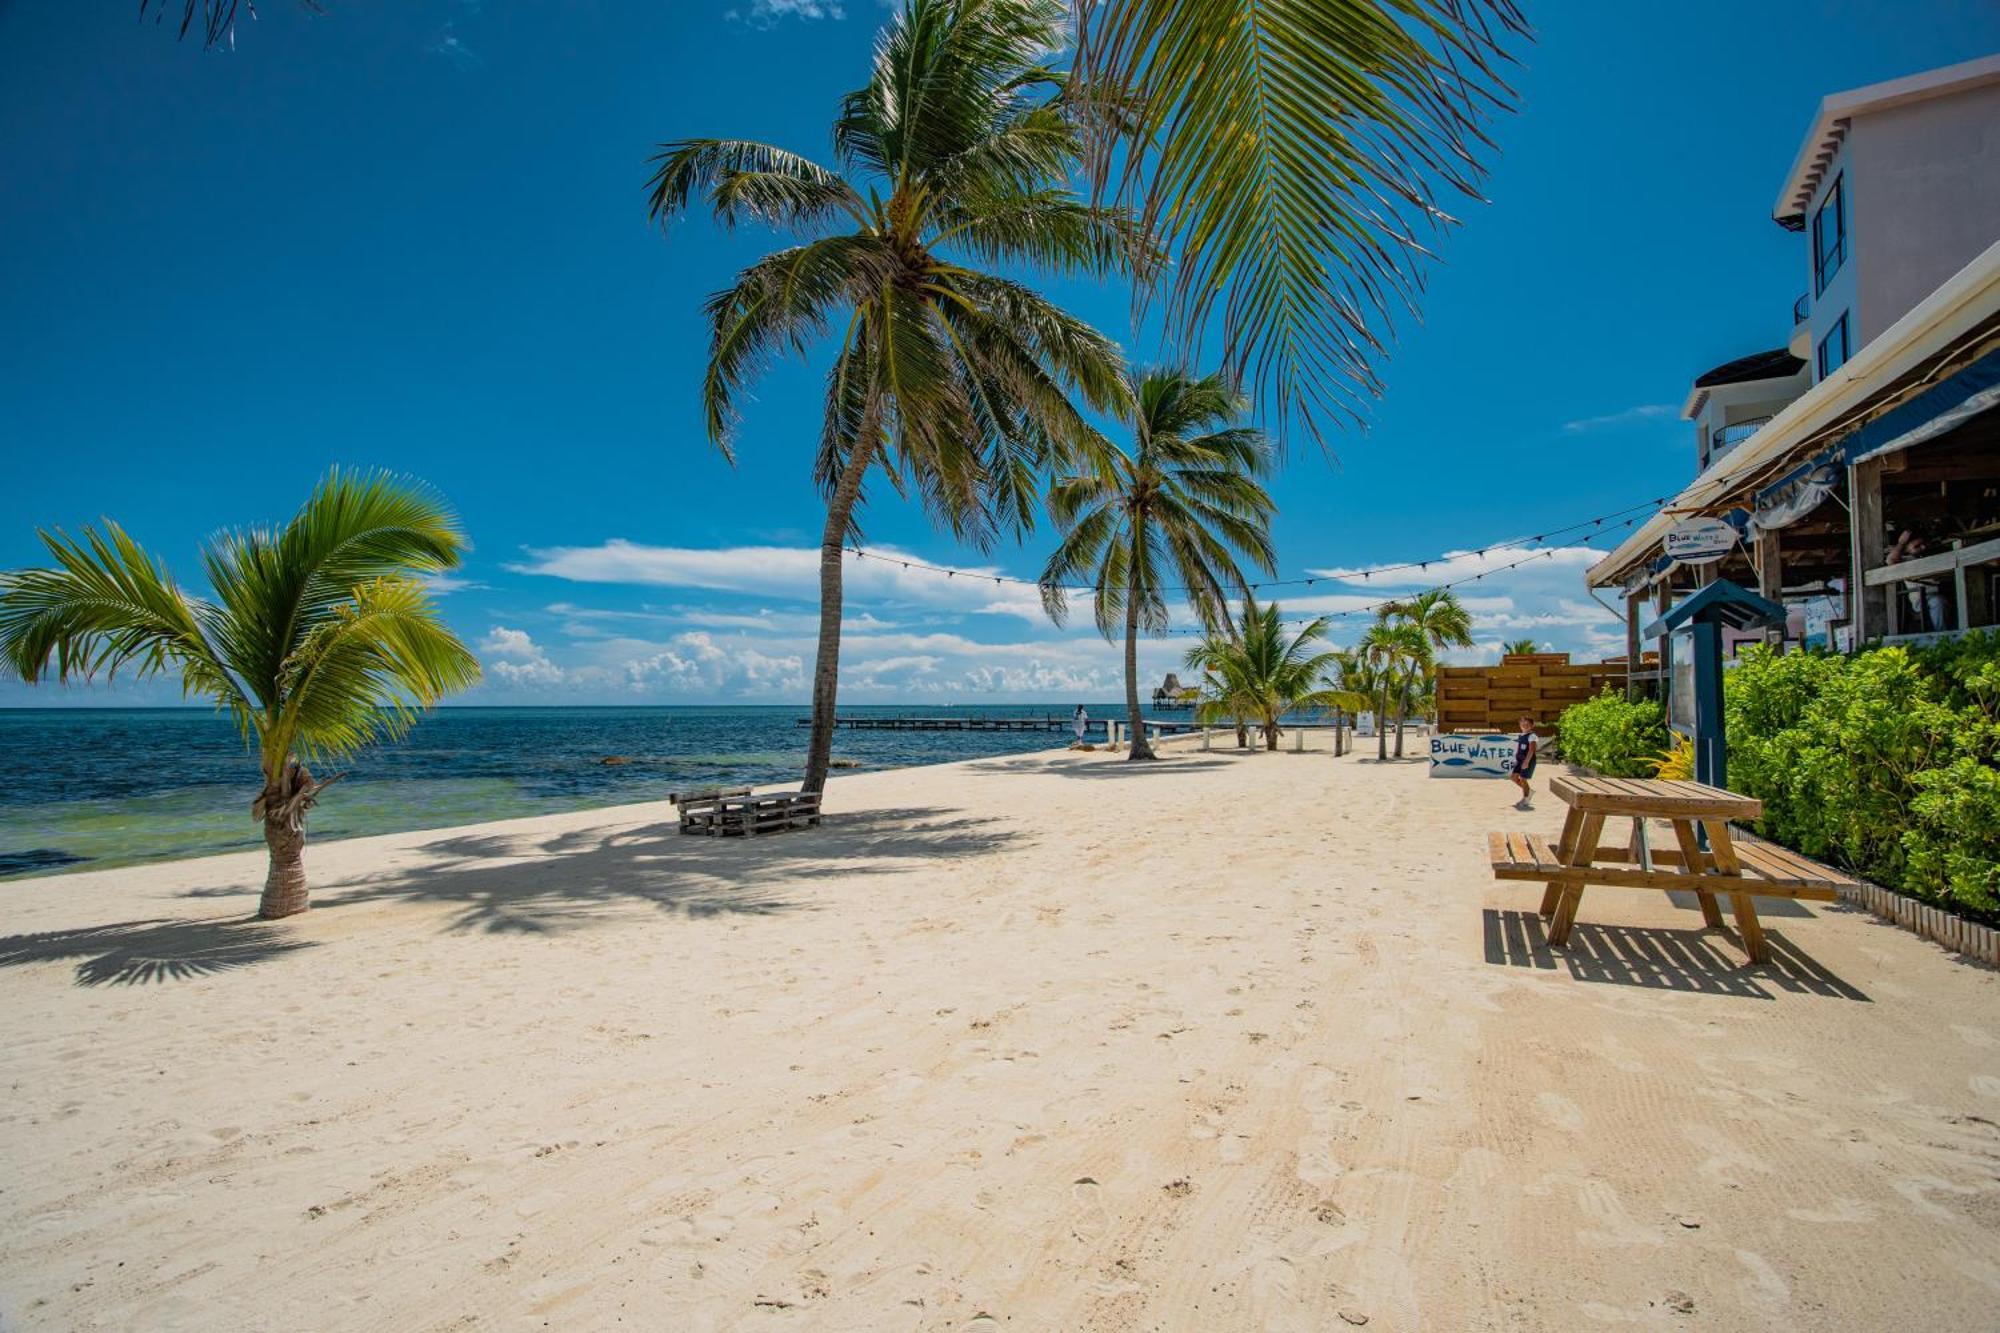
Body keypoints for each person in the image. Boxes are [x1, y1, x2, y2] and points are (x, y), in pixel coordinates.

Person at [1509, 714, 1538, 810]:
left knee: (1523, 779)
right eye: (1523, 723)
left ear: (1531, 725)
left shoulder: (1532, 736)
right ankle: (1529, 791)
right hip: (1519, 760)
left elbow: (1531, 750)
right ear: (1520, 724)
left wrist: (1526, 761)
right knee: (1513, 777)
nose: (1525, 725)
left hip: (1528, 760)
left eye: (1527, 724)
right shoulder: (1521, 735)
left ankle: (1526, 799)